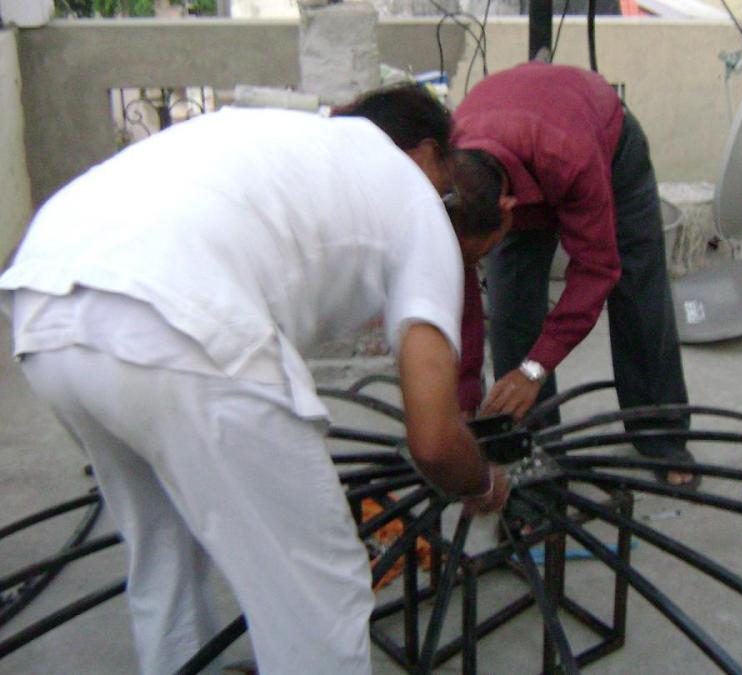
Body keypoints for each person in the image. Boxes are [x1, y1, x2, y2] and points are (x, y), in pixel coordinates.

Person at [0, 84, 510, 674]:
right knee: (317, 594)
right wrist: (482, 482)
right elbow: (435, 441)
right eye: (446, 171)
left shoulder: (283, 137)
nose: (446, 191)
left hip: (43, 304)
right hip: (177, 321)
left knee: (165, 553)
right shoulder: (417, 201)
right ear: (425, 153)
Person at [451, 61, 697, 487]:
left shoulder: (568, 157)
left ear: (508, 212)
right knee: (510, 309)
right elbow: (463, 292)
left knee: (637, 291)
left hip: (605, 150)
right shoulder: (453, 176)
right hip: (517, 146)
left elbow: (596, 270)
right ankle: (533, 452)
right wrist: (465, 398)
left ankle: (661, 435)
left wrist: (535, 369)